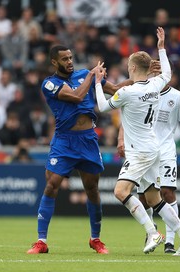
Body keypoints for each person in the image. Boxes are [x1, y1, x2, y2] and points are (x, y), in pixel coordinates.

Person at [94, 27, 180, 256]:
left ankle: (152, 232)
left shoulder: (128, 93)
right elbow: (168, 74)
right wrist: (161, 47)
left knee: (121, 192)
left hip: (139, 151)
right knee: (154, 199)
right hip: (153, 148)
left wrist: (97, 82)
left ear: (131, 68)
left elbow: (102, 107)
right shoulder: (155, 86)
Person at [26, 44, 134, 255]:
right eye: (64, 59)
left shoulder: (84, 74)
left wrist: (143, 80)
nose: (69, 61)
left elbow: (115, 89)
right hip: (64, 141)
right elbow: (76, 96)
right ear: (54, 62)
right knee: (51, 185)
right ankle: (41, 241)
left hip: (87, 140)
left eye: (71, 57)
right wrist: (92, 77)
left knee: (92, 189)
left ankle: (95, 239)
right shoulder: (50, 83)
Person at [117, 59, 180, 253]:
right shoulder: (141, 91)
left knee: (166, 193)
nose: (157, 71)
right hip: (143, 149)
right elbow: (128, 118)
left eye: (161, 68)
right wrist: (121, 138)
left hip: (164, 152)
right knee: (146, 197)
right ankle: (158, 234)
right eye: (153, 67)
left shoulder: (177, 96)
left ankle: (169, 242)